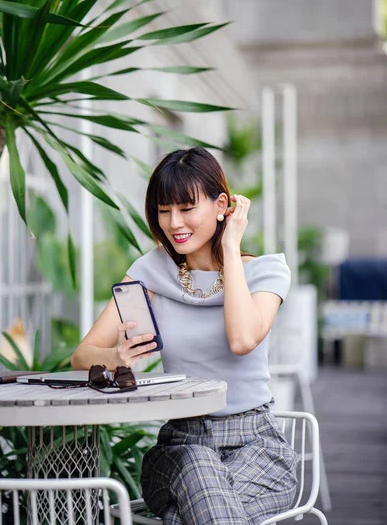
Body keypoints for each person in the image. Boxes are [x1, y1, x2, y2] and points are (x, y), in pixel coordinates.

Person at [71, 147, 298, 525]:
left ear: (221, 204)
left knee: (187, 515)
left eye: (186, 208)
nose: (173, 222)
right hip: (179, 446)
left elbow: (242, 340)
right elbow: (82, 356)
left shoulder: (265, 273)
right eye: (163, 211)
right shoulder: (151, 272)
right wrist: (117, 358)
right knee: (197, 465)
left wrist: (229, 246)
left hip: (256, 447)